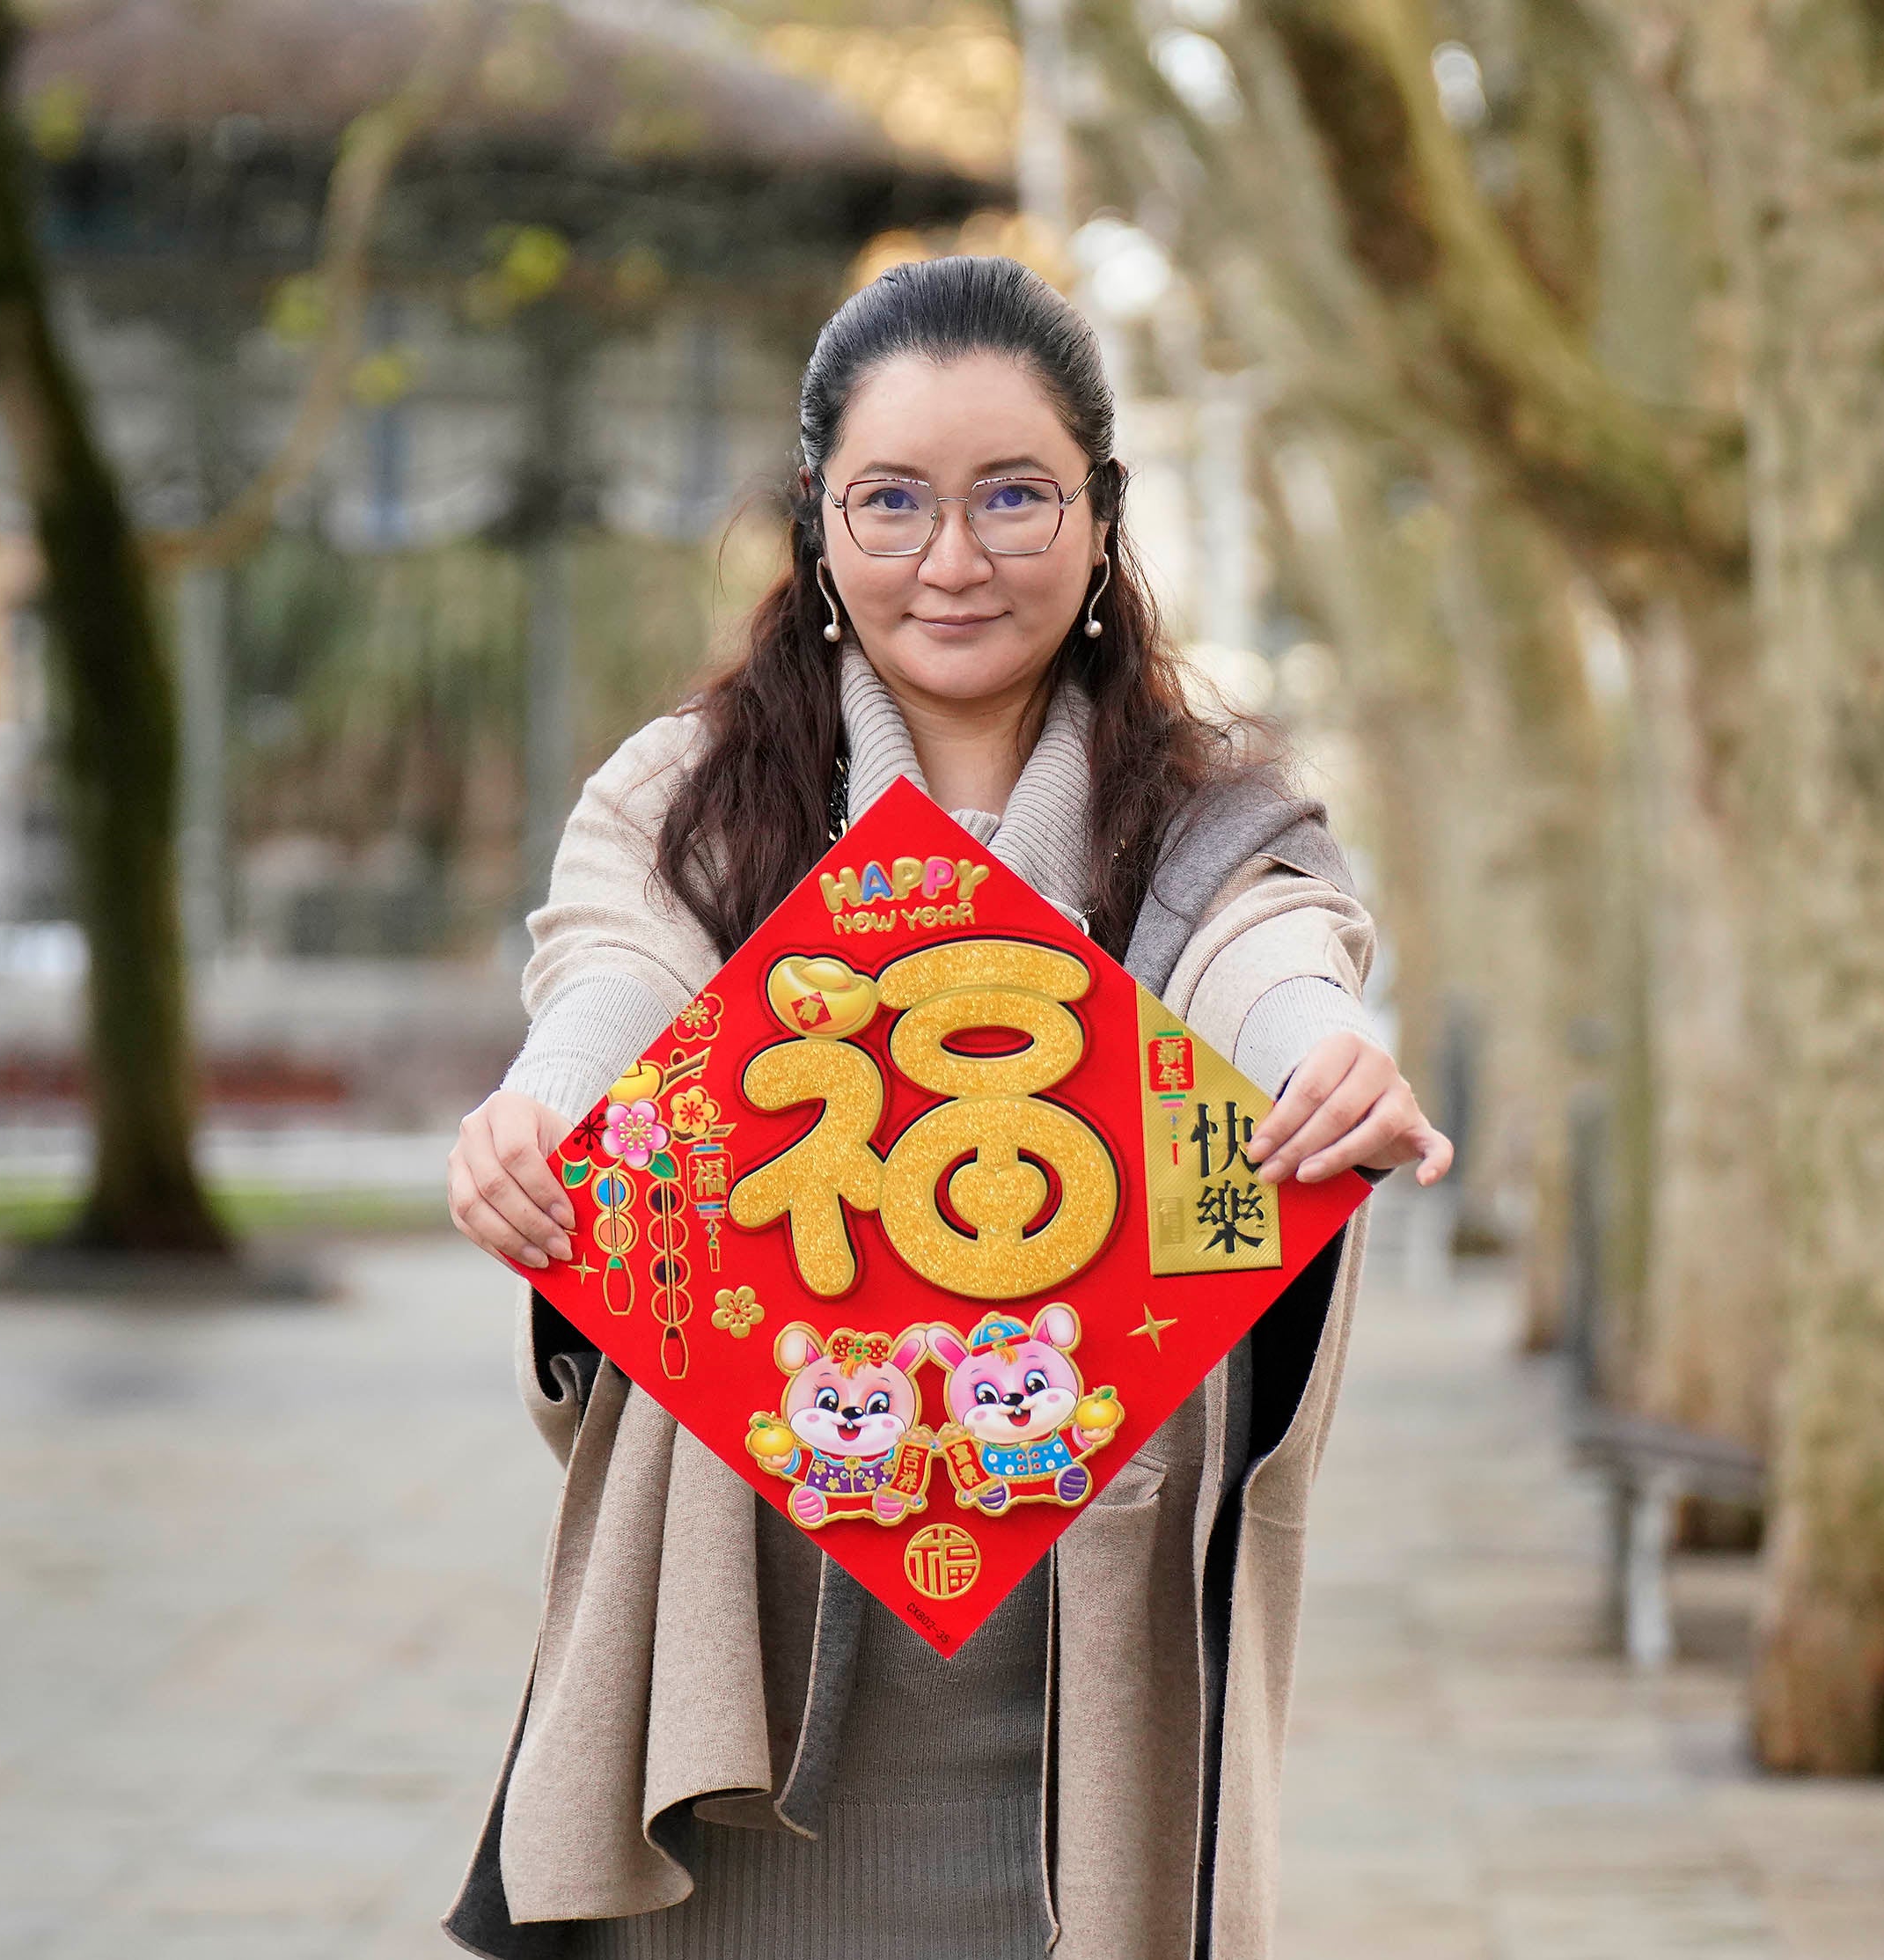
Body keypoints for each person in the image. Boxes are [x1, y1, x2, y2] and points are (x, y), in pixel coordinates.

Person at [439, 256, 1450, 1960]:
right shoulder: (689, 794)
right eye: (890, 501)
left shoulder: (1211, 811)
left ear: (1100, 511)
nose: (952, 559)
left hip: (1077, 1666)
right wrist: (540, 1111)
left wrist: (1320, 1054)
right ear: (817, 519)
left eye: (1013, 498)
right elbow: (614, 975)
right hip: (733, 1649)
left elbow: (1274, 949)